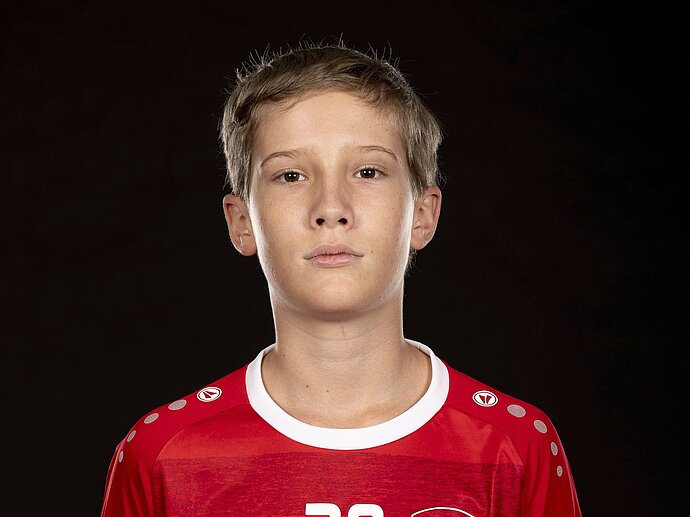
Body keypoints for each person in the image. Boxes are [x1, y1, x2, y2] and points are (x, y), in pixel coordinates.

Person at [100, 42, 581, 517]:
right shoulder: (162, 454)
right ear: (241, 222)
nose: (331, 208)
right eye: (291, 176)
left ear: (423, 214)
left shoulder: (516, 446)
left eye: (368, 171)